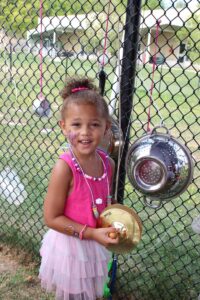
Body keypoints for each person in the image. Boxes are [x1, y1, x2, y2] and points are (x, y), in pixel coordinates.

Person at [39, 77, 119, 300]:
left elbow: (102, 204)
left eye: (94, 124)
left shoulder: (107, 164)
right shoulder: (64, 168)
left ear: (106, 128)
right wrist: (92, 233)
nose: (85, 132)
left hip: (94, 244)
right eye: (76, 125)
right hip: (71, 248)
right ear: (63, 127)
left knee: (91, 293)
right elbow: (51, 217)